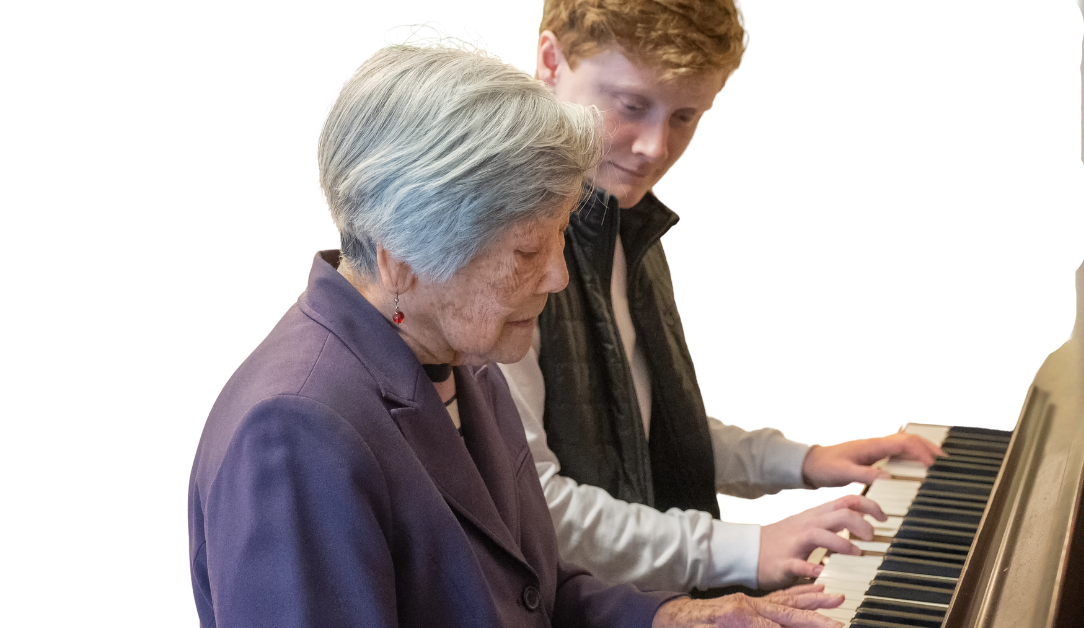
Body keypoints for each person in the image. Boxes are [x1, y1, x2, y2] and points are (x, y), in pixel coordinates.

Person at [186, 21, 849, 627]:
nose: (558, 277)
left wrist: (675, 617)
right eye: (528, 252)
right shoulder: (294, 426)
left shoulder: (464, 358)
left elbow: (537, 591)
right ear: (405, 259)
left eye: (560, 241)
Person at [495, 0, 946, 594]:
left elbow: (645, 429)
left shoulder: (623, 219)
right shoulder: (497, 241)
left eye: (686, 115)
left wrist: (801, 462)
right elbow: (534, 506)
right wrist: (748, 546)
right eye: (631, 106)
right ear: (550, 60)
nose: (655, 148)